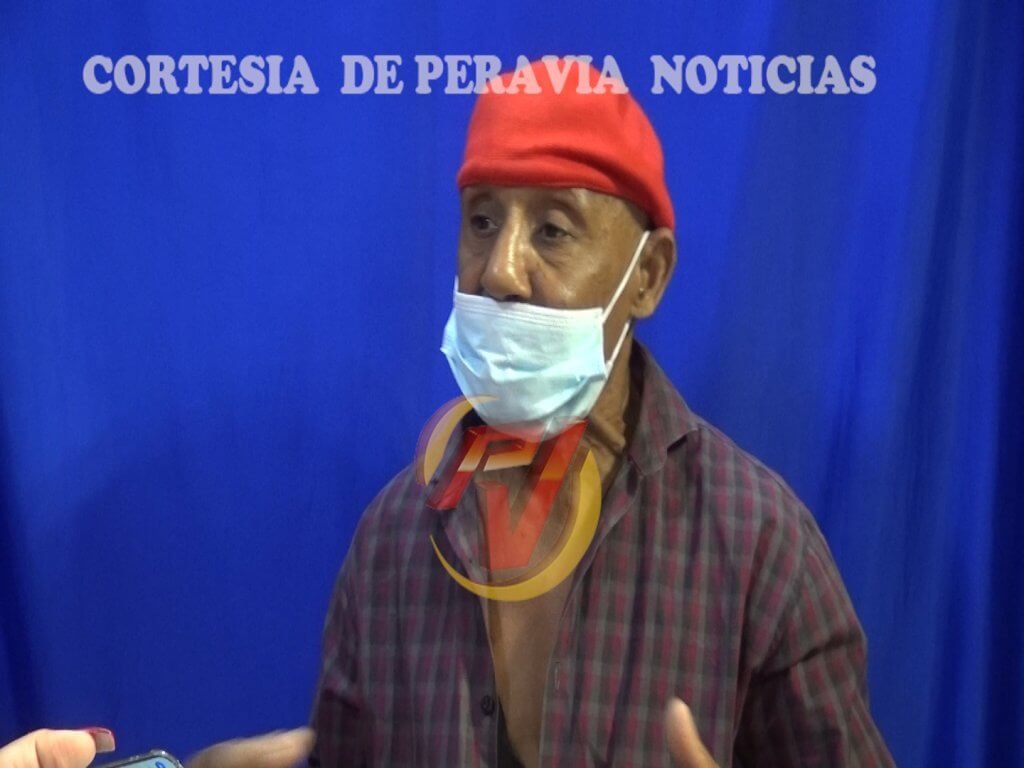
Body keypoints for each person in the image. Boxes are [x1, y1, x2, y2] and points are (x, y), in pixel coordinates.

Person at [5, 57, 893, 767]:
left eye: (553, 229)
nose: (500, 270)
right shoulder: (393, 541)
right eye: (481, 221)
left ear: (648, 276)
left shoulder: (758, 546)